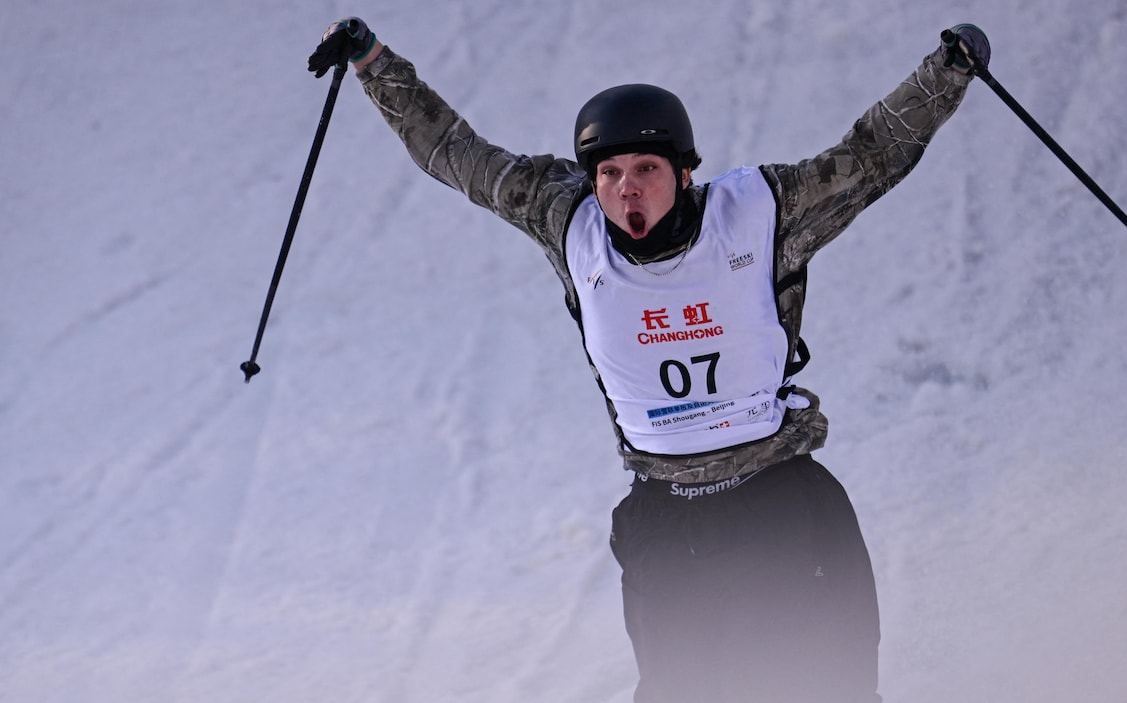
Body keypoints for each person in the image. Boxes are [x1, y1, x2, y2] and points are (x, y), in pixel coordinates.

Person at [308, 17, 989, 703]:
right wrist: (372, 62)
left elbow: (871, 156)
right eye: (609, 173)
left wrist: (947, 71)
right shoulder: (566, 221)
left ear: (685, 172)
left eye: (646, 170)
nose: (626, 190)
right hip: (667, 522)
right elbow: (456, 153)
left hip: (780, 506)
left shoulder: (761, 215)